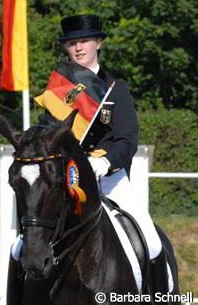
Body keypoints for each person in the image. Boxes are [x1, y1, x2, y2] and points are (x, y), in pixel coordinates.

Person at [36, 14, 172, 295]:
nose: (78, 48)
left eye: (84, 41)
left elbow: (127, 140)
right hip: (66, 183)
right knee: (21, 246)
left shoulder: (115, 90)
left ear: (98, 43)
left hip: (109, 179)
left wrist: (104, 162)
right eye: (72, 43)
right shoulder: (58, 92)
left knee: (151, 239)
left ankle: (160, 296)